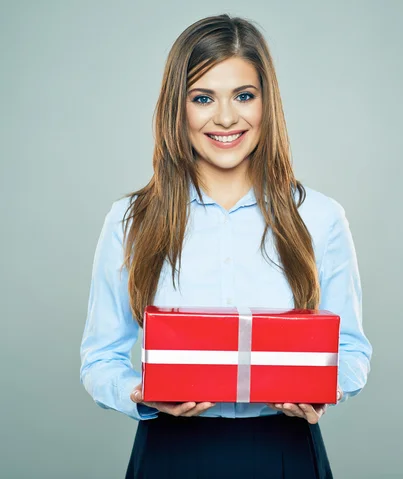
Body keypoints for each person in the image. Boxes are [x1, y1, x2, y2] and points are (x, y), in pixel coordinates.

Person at [79, 13, 372, 479]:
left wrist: (324, 391)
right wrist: (140, 393)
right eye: (202, 98)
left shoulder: (320, 218)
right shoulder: (131, 221)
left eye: (243, 95)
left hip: (285, 451)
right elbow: (99, 359)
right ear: (179, 108)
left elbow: (353, 350)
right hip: (169, 453)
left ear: (265, 103)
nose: (226, 117)